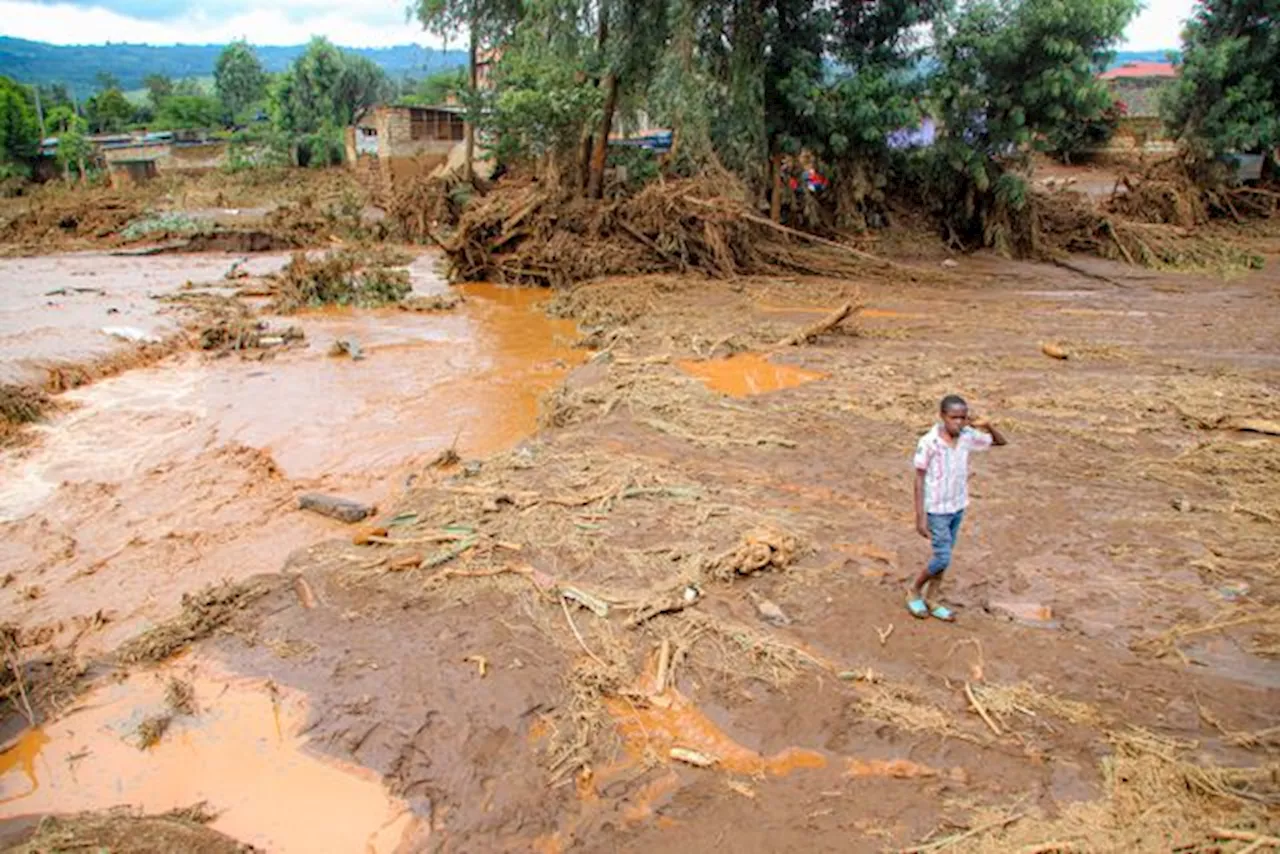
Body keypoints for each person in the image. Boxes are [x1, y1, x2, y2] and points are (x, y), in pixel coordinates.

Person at [909, 395, 1007, 621]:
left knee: (945, 555)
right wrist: (919, 516)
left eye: (963, 418)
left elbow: (999, 443)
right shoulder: (929, 442)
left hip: (957, 505)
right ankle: (914, 590)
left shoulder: (967, 437)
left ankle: (932, 598)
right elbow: (919, 478)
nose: (959, 423)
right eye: (953, 418)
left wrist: (987, 425)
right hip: (936, 508)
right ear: (942, 416)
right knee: (942, 557)